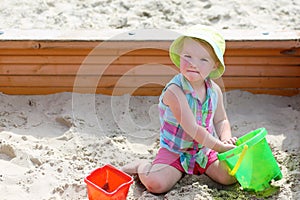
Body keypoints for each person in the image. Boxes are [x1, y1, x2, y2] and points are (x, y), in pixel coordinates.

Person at [122, 25, 237, 194]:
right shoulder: (175, 91)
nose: (192, 64)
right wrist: (220, 147)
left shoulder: (214, 91)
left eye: (203, 60)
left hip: (204, 151)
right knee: (156, 184)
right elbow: (192, 128)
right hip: (176, 151)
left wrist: (225, 139)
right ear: (179, 56)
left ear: (214, 65)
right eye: (187, 56)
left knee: (229, 177)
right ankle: (142, 166)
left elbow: (221, 120)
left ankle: (199, 166)